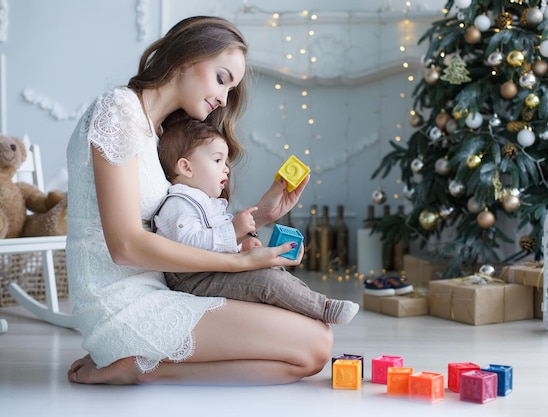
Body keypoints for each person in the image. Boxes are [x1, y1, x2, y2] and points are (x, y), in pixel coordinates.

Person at [65, 16, 334, 385]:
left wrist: (262, 215)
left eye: (231, 88)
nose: (224, 98)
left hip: (161, 288)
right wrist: (241, 265)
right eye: (222, 78)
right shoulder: (118, 111)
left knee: (316, 346)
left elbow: (182, 227)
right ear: (189, 56)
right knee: (314, 345)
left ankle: (141, 365)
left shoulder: (157, 133)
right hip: (117, 302)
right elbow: (125, 246)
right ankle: (138, 365)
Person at [153, 118, 359, 325]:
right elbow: (187, 245)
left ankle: (311, 306)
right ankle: (321, 308)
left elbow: (212, 243)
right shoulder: (179, 203)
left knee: (269, 271)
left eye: (225, 162)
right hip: (192, 279)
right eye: (217, 160)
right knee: (264, 281)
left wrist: (241, 244)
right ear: (186, 168)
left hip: (209, 270)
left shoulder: (204, 202)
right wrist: (233, 231)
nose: (226, 169)